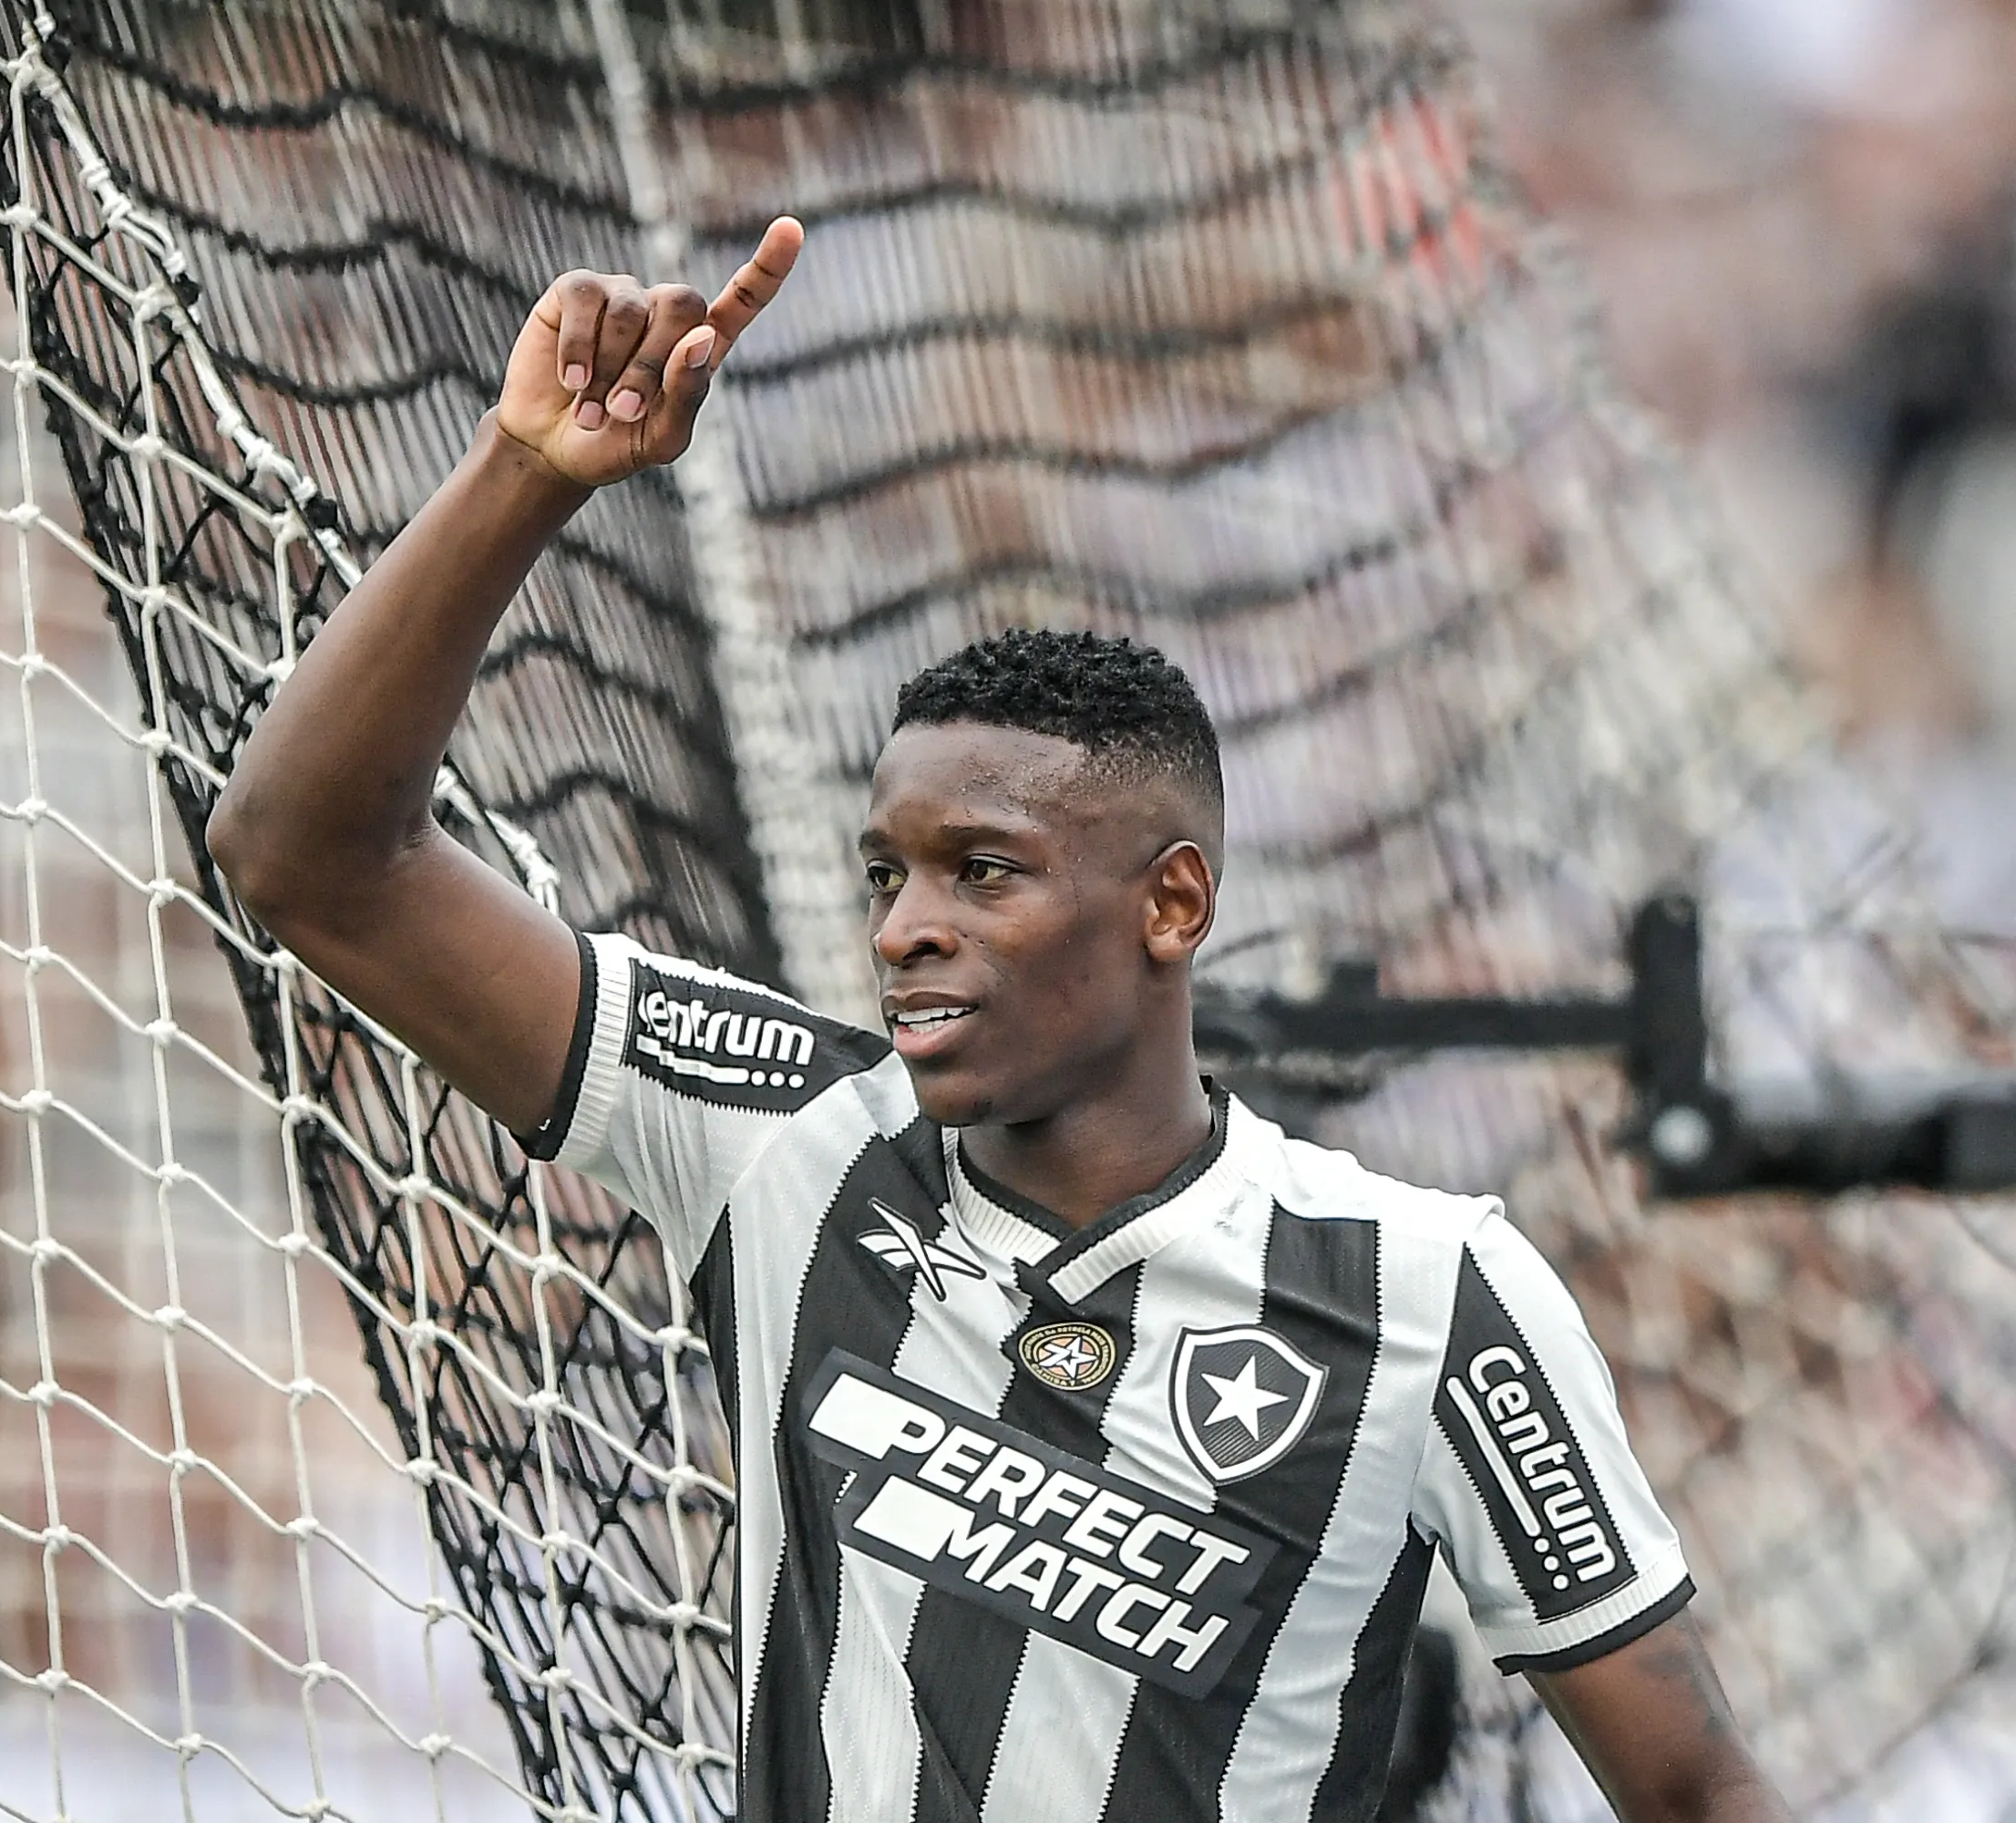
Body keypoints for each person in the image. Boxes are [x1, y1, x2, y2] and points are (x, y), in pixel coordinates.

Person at [207, 218, 1788, 1823]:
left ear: (1172, 905)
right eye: (887, 872)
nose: (907, 927)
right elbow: (309, 859)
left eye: (984, 872)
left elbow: (1697, 1790)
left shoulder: (1424, 1290)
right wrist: (525, 472)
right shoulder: (790, 1135)